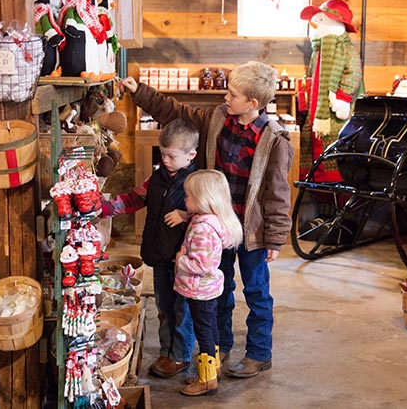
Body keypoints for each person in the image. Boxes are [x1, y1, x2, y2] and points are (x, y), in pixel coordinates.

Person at [121, 60, 293, 378]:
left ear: (253, 103)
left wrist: (276, 237)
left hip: (251, 231)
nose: (225, 98)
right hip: (216, 226)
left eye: (232, 94)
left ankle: (258, 353)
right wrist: (139, 92)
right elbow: (176, 112)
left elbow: (278, 194)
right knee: (219, 288)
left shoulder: (274, 140)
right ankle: (221, 344)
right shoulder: (216, 119)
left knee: (256, 291)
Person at [101, 118, 199, 378]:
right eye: (162, 154)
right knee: (164, 308)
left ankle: (180, 356)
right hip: (159, 255)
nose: (165, 160)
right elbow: (134, 199)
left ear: (191, 155)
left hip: (183, 261)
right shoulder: (158, 176)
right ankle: (167, 351)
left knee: (182, 310)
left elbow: (211, 210)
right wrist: (102, 208)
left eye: (171, 156)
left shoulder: (197, 181)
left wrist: (185, 214)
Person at [175, 170, 243, 396]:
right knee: (210, 329)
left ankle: (207, 381)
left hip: (199, 289)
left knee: (203, 333)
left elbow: (202, 265)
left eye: (189, 196)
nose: (185, 200)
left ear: (205, 199)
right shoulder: (209, 220)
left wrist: (181, 259)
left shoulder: (204, 228)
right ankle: (215, 369)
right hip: (208, 290)